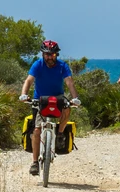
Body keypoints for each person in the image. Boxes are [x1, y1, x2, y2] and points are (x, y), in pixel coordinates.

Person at [19, 40, 81, 176]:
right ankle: (35, 162)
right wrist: (24, 94)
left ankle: (59, 134)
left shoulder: (62, 66)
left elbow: (69, 81)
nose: (50, 57)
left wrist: (75, 97)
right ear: (43, 54)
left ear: (56, 55)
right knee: (36, 130)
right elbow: (29, 80)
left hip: (57, 98)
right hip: (40, 100)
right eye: (47, 54)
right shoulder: (38, 65)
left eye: (52, 54)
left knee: (67, 108)